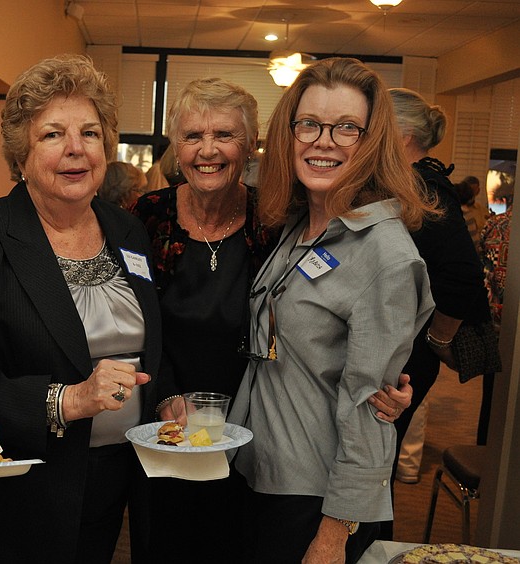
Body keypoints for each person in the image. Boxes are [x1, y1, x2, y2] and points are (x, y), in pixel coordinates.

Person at [129, 76, 412, 563]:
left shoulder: (275, 217)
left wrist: (389, 388)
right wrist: (162, 393)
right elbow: (127, 320)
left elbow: (385, 312)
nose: (208, 150)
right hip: (176, 433)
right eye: (193, 136)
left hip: (261, 446)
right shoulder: (149, 217)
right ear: (175, 146)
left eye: (225, 135)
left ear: (252, 145)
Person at [0, 54, 162, 564]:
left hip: (116, 478)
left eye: (90, 132)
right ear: (21, 154)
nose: (76, 149)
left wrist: (164, 400)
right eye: (53, 135)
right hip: (22, 490)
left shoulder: (128, 231)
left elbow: (148, 345)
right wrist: (71, 400)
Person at [227, 57, 435, 563]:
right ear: (289, 134)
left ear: (371, 142)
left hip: (318, 500)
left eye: (346, 128)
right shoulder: (302, 225)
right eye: (310, 125)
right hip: (260, 472)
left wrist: (333, 534)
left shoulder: (384, 253)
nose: (324, 141)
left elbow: (371, 410)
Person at [384, 88, 491, 498]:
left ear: (402, 133)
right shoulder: (407, 181)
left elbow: (463, 274)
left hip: (411, 351)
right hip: (402, 342)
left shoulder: (424, 185)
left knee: (375, 463)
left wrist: (438, 338)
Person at [478, 188, 513, 445]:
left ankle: (485, 473)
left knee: (491, 407)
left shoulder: (495, 225)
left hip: (494, 329)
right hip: (507, 330)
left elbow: (484, 277)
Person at [456, 177, 489, 247]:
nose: (471, 193)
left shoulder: (483, 211)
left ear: (478, 191)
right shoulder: (458, 212)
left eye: (473, 190)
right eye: (468, 190)